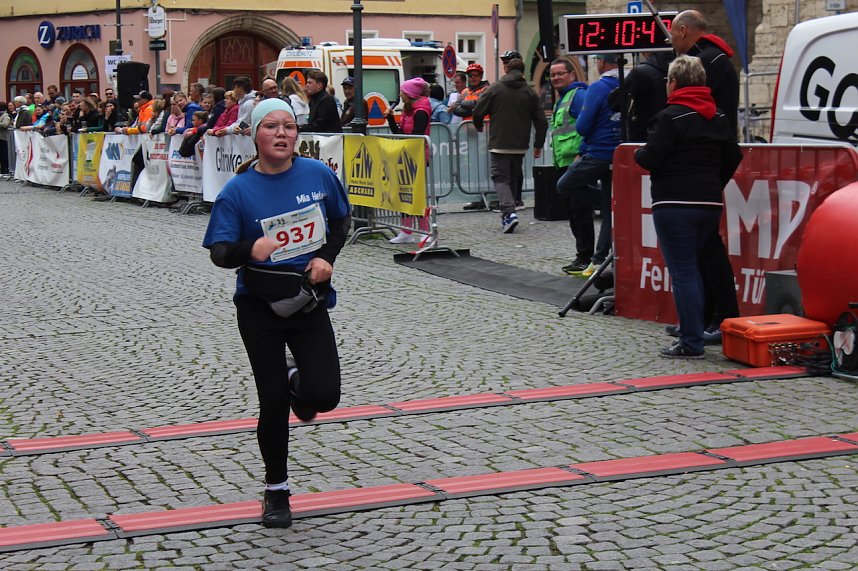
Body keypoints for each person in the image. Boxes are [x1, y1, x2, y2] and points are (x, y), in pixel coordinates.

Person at [202, 98, 351, 528]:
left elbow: (340, 222)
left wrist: (325, 258)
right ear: (255, 135)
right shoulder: (237, 191)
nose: (282, 133)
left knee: (324, 396)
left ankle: (296, 379)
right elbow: (219, 252)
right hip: (259, 306)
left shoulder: (318, 174)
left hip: (307, 299)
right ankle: (276, 491)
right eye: (271, 126)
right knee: (272, 402)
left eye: (289, 126)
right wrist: (250, 249)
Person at [634, 55, 742, 358]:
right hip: (708, 202)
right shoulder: (717, 116)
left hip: (674, 202)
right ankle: (692, 326)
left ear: (674, 82)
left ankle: (691, 341)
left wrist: (638, 153)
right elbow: (734, 156)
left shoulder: (669, 117)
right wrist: (714, 182)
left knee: (683, 272)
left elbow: (650, 157)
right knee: (694, 268)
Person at [669, 9, 741, 342]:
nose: (671, 40)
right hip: (709, 163)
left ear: (684, 31)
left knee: (709, 249)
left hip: (703, 164)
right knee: (702, 248)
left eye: (673, 34)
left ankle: (721, 317)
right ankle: (704, 317)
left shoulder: (708, 62)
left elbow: (707, 115)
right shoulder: (714, 59)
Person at [556, 53, 621, 277]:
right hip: (621, 153)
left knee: (564, 185)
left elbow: (583, 126)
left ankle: (603, 201)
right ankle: (598, 259)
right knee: (610, 211)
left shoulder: (597, 88)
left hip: (599, 153)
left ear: (601, 62)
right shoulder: (626, 84)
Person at [472, 58, 548, 233]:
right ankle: (510, 209)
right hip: (520, 144)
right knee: (513, 177)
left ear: (506, 70)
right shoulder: (529, 92)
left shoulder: (495, 88)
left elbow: (478, 110)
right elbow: (542, 121)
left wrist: (478, 124)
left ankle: (508, 212)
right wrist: (538, 144)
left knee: (500, 178)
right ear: (523, 72)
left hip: (499, 141)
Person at [549, 58, 588, 271]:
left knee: (580, 213)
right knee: (573, 214)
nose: (555, 78)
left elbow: (588, 125)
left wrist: (581, 153)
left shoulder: (577, 96)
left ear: (572, 75)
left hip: (576, 164)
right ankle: (582, 256)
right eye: (552, 75)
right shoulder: (562, 98)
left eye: (560, 73)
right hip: (565, 163)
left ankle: (585, 257)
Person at [384, 77, 432, 244]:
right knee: (404, 193)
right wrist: (391, 119)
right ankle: (406, 231)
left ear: (410, 94)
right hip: (406, 155)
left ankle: (425, 230)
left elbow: (415, 137)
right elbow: (400, 133)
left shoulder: (420, 112)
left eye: (402, 92)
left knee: (417, 195)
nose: (400, 95)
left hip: (417, 157)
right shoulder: (408, 110)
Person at [617, 51, 674, 143]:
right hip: (676, 136)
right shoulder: (685, 69)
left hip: (645, 137)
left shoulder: (641, 73)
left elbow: (615, 101)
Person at [0, 101, 10, 174]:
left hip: (3, 137)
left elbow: (5, 124)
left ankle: (5, 170)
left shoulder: (5, 115)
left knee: (4, 154)